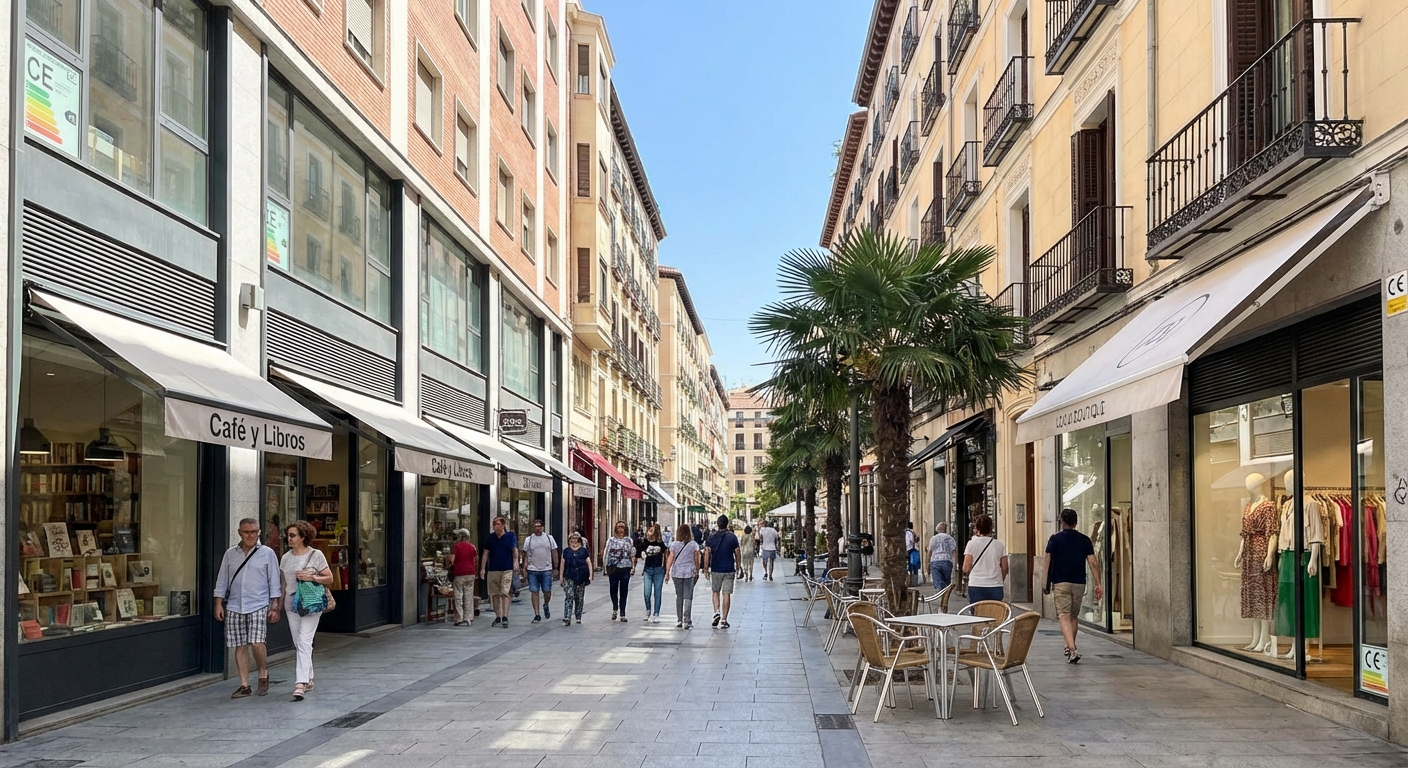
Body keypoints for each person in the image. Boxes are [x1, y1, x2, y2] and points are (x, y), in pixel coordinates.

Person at [214, 518, 281, 698]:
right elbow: (222, 580)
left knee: (258, 642)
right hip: (235, 604)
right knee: (239, 644)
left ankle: (262, 674)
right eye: (246, 532)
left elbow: (274, 581)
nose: (250, 535)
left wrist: (275, 606)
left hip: (259, 603)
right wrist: (218, 603)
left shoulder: (267, 553)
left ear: (259, 532)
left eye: (254, 532)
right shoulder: (230, 554)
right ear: (239, 533)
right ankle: (244, 684)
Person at [280, 520, 333, 701]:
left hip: (311, 603)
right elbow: (284, 584)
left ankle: (300, 683)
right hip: (291, 603)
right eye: (288, 535)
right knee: (299, 642)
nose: (289, 538)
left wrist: (312, 577)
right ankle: (309, 678)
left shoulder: (316, 555)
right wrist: (276, 606)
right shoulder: (285, 558)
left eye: (293, 535)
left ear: (303, 537)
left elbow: (329, 578)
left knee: (304, 640)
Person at [1046, 508, 1103, 664]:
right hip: (1079, 583)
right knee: (1073, 616)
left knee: (1063, 615)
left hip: (1061, 582)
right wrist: (1098, 583)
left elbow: (1047, 561)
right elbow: (1093, 562)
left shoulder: (1055, 539)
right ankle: (1069, 645)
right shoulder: (1084, 540)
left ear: (1062, 521)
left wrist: (1046, 582)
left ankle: (1072, 649)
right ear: (1076, 522)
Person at [480, 516, 519, 628]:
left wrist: (516, 562)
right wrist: (483, 568)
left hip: (507, 569)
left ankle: (505, 616)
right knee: (495, 594)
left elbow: (514, 550)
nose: (495, 526)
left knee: (505, 593)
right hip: (493, 569)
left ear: (503, 525)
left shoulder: (510, 536)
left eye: (497, 524)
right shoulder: (491, 538)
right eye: (494, 524)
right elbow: (486, 553)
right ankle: (498, 615)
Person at [703, 515, 741, 628]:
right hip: (729, 569)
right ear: (727, 524)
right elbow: (737, 552)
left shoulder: (711, 537)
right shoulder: (733, 537)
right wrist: (738, 565)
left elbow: (707, 553)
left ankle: (716, 612)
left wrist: (705, 568)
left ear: (718, 524)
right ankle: (724, 619)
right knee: (726, 594)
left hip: (716, 568)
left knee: (715, 591)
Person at [962, 514, 1008, 603]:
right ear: (991, 528)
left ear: (977, 528)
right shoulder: (999, 544)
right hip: (995, 586)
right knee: (994, 613)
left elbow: (966, 568)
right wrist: (999, 579)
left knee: (977, 613)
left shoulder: (971, 544)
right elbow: (1005, 568)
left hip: (976, 585)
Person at [522, 519, 560, 624]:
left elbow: (554, 551)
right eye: (535, 526)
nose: (537, 528)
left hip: (546, 569)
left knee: (547, 591)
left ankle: (546, 604)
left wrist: (556, 567)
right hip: (532, 569)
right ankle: (537, 614)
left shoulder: (549, 538)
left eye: (539, 526)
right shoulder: (528, 540)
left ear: (542, 527)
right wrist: (524, 568)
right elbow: (525, 554)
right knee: (534, 591)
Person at [667, 523, 701, 628]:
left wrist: (667, 571)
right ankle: (687, 620)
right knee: (688, 596)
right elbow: (696, 558)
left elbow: (670, 558)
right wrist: (697, 569)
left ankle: (679, 620)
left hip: (676, 572)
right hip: (689, 572)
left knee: (679, 596)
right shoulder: (694, 544)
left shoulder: (674, 544)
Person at [603, 521, 637, 621]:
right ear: (615, 528)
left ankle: (622, 612)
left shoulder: (629, 540)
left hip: (625, 568)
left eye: (622, 527)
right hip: (613, 568)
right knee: (613, 589)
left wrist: (633, 567)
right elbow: (606, 553)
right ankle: (615, 608)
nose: (620, 529)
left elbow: (632, 554)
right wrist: (605, 567)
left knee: (624, 590)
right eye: (619, 527)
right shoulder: (611, 540)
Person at [559, 532, 593, 625]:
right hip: (569, 576)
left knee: (579, 597)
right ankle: (567, 616)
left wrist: (591, 575)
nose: (573, 541)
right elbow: (562, 564)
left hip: (581, 576)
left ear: (580, 541)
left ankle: (578, 616)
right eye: (571, 539)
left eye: (576, 539)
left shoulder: (583, 551)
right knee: (569, 596)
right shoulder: (566, 551)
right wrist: (561, 577)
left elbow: (589, 562)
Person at [447, 529, 478, 626]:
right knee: (468, 596)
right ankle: (468, 618)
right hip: (470, 573)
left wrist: (448, 559)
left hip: (459, 573)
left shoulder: (456, 546)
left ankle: (459, 618)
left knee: (458, 596)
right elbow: (475, 559)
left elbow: (452, 559)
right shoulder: (472, 547)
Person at [638, 524, 667, 623]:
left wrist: (666, 570)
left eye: (652, 532)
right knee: (647, 593)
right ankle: (648, 610)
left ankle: (656, 614)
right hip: (648, 570)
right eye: (649, 532)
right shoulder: (645, 543)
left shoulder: (660, 543)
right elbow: (640, 551)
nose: (650, 534)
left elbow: (665, 553)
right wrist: (642, 554)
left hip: (659, 570)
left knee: (657, 593)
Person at [927, 522, 957, 595]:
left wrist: (928, 562)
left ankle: (940, 591)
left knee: (937, 578)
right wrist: (955, 564)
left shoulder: (933, 539)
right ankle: (945, 593)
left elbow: (929, 552)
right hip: (947, 560)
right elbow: (954, 552)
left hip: (935, 561)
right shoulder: (950, 538)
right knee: (947, 580)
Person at [905, 521, 921, 586]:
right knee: (913, 564)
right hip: (910, 549)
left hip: (906, 550)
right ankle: (913, 581)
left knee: (909, 564)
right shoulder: (911, 532)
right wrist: (917, 539)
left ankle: (908, 580)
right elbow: (911, 541)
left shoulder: (905, 532)